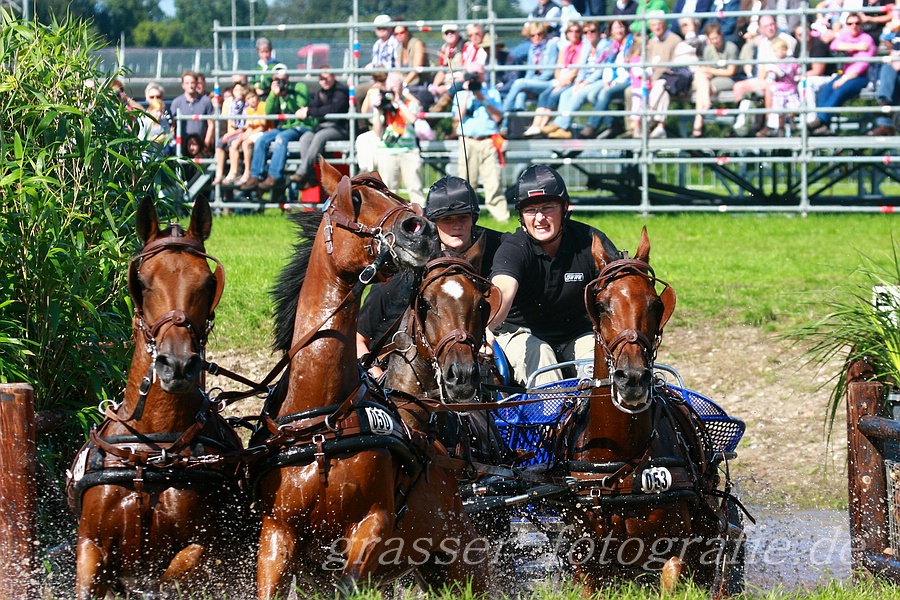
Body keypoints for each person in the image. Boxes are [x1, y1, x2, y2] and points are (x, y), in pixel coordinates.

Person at [487, 165, 620, 387]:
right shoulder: (514, 248)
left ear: (565, 209)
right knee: (544, 365)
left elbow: (620, 288)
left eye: (548, 208)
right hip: (521, 333)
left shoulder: (590, 241)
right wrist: (486, 327)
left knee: (597, 369)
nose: (539, 218)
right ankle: (549, 420)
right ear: (521, 215)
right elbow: (502, 291)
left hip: (578, 333)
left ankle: (587, 420)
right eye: (531, 210)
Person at [357, 175, 504, 374]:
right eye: (447, 219)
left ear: (474, 218)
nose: (456, 225)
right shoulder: (406, 270)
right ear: (433, 223)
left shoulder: (497, 251)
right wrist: (377, 378)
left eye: (463, 217)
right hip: (393, 373)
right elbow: (358, 339)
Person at [240, 67, 313, 192]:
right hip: (285, 127)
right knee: (261, 139)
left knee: (281, 139)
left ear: (288, 78)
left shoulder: (299, 87)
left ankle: (274, 176)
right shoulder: (275, 91)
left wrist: (285, 95)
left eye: (282, 79)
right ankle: (256, 175)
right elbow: (268, 112)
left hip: (302, 125)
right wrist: (274, 95)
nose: (280, 82)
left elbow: (301, 105)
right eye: (276, 79)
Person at [453, 63, 510, 223]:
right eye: (472, 74)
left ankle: (502, 218)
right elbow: (458, 116)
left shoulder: (491, 93)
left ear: (484, 75)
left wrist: (482, 98)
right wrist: (467, 93)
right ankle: (464, 216)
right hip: (467, 141)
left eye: (478, 74)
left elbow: (498, 117)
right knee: (465, 181)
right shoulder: (461, 93)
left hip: (488, 141)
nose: (476, 77)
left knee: (493, 181)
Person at [809, 13, 877, 135]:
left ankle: (821, 120)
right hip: (845, 75)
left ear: (861, 24)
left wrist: (844, 79)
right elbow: (834, 45)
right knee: (825, 91)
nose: (854, 26)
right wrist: (855, 46)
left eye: (857, 23)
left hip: (860, 77)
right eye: (850, 23)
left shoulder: (867, 40)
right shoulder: (847, 36)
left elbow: (861, 66)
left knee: (840, 91)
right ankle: (823, 125)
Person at [369, 72, 426, 208]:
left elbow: (412, 119)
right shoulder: (384, 103)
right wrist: (378, 110)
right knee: (388, 191)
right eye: (391, 85)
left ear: (401, 86)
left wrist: (398, 101)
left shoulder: (409, 103)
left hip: (408, 151)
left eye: (396, 84)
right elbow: (378, 132)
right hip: (387, 151)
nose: (393, 88)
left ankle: (423, 217)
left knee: (415, 188)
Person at [288, 68, 350, 190]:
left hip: (339, 127)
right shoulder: (320, 93)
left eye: (326, 78)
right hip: (323, 127)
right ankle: (310, 176)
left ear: (333, 77)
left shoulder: (341, 92)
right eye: (321, 79)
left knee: (319, 137)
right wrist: (304, 110)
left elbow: (333, 109)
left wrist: (310, 111)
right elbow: (313, 106)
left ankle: (302, 172)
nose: (324, 82)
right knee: (305, 138)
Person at [502, 23, 560, 136]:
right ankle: (518, 127)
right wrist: (529, 84)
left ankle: (503, 119)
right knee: (520, 93)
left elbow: (549, 72)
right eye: (533, 35)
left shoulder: (551, 45)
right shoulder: (532, 49)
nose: (536, 37)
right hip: (535, 82)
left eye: (539, 34)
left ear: (544, 34)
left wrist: (531, 82)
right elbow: (529, 71)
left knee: (519, 83)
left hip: (549, 83)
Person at [691, 20, 739, 137]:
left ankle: (698, 124)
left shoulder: (731, 48)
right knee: (699, 76)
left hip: (729, 80)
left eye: (716, 38)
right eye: (712, 39)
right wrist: (706, 72)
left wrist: (711, 71)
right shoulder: (708, 50)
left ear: (721, 35)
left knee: (701, 89)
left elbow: (731, 71)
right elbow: (708, 70)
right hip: (713, 80)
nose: (715, 41)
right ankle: (706, 105)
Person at [756, 37, 800, 137]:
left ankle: (791, 122)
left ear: (784, 50)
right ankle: (781, 128)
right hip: (779, 91)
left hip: (791, 90)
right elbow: (772, 76)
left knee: (795, 107)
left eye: (776, 51)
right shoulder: (774, 63)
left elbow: (795, 71)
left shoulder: (792, 61)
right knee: (780, 111)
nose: (775, 54)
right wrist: (772, 73)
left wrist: (798, 76)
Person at [170, 70, 215, 156]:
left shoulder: (206, 101)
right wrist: (176, 143)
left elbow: (211, 124)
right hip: (182, 146)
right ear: (183, 85)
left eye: (192, 83)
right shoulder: (177, 102)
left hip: (201, 146)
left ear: (196, 84)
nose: (190, 86)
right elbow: (173, 126)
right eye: (187, 83)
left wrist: (206, 143)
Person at [869, 16, 900, 136]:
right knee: (888, 70)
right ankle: (885, 112)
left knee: (888, 69)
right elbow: (894, 55)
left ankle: (885, 118)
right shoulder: (898, 35)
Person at [232, 88, 269, 187]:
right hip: (255, 133)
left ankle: (247, 171)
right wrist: (244, 135)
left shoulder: (262, 106)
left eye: (253, 97)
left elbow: (262, 126)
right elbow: (249, 127)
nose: (252, 100)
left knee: (246, 143)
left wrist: (248, 136)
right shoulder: (249, 110)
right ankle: (234, 171)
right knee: (236, 143)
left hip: (265, 132)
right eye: (248, 98)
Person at [212, 81, 247, 185]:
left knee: (233, 143)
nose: (239, 92)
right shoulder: (231, 104)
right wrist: (229, 134)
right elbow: (229, 122)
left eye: (241, 89)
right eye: (236, 90)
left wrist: (230, 135)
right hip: (233, 132)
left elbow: (245, 126)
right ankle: (219, 173)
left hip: (243, 132)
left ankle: (234, 171)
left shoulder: (247, 104)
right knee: (219, 143)